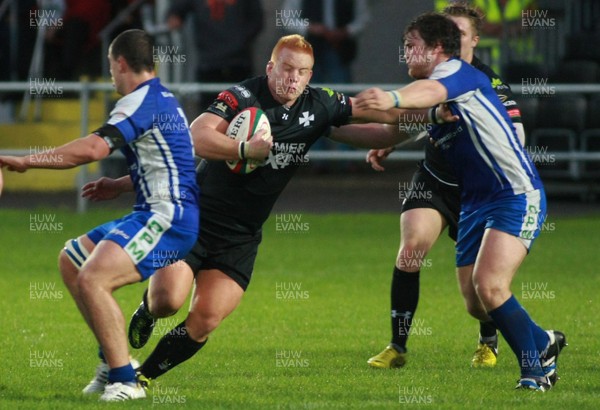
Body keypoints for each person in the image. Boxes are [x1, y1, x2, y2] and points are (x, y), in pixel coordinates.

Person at [83, 34, 423, 385]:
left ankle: (143, 379)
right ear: (270, 67)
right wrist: (245, 149)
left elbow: (382, 131)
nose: (293, 78)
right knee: (168, 300)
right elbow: (196, 138)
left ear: (310, 76)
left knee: (206, 319)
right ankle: (147, 310)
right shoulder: (243, 95)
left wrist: (422, 122)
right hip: (195, 219)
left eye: (302, 72)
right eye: (287, 68)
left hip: (241, 236)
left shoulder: (319, 106)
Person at [355, 12, 565, 391]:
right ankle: (543, 340)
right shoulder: (432, 83)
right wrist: (319, 122)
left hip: (513, 193)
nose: (405, 54)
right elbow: (395, 123)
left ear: (440, 47)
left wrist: (391, 97)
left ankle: (536, 371)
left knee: (490, 285)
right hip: (471, 199)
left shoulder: (463, 74)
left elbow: (423, 98)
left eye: (410, 46)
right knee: (476, 303)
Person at [0, 29, 200, 401]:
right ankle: (112, 362)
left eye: (110, 66)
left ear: (120, 63)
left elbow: (92, 148)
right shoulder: (164, 99)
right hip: (155, 210)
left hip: (166, 219)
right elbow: (175, 164)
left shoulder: (138, 101)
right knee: (72, 261)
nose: (111, 74)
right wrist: (122, 185)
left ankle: (125, 379)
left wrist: (28, 161)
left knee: (93, 278)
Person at [165, 0, 264, 111]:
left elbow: (257, 20)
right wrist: (174, 16)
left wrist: (238, 42)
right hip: (209, 63)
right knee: (209, 113)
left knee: (242, 114)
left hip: (238, 63)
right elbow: (176, 13)